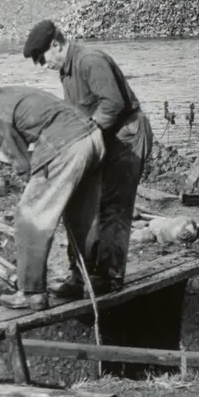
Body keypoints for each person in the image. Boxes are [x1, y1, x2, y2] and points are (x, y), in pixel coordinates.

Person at [0, 66, 104, 311]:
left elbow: (20, 162)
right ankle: (88, 279)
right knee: (81, 215)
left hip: (66, 145)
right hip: (92, 138)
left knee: (30, 217)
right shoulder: (11, 92)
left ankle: (31, 292)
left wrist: (31, 187)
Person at [22, 19, 153, 297]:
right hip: (102, 137)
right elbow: (77, 113)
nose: (43, 66)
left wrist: (84, 137)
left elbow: (113, 104)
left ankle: (109, 277)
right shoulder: (67, 71)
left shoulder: (90, 61)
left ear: (56, 45)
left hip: (125, 136)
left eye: (43, 59)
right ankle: (80, 277)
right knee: (82, 204)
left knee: (113, 207)